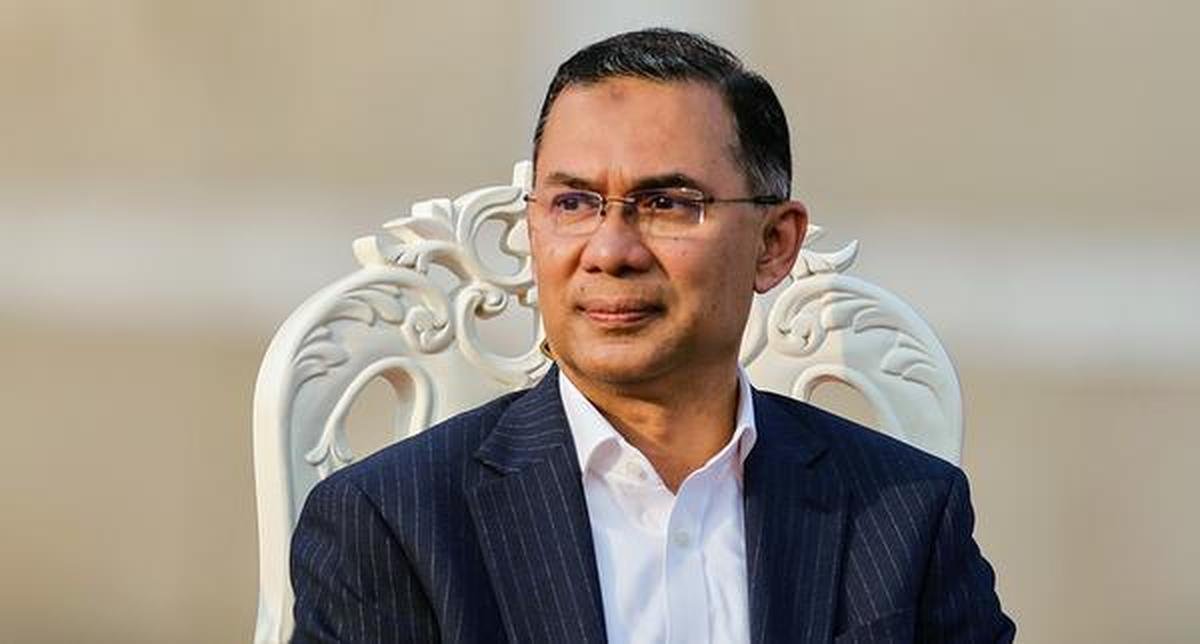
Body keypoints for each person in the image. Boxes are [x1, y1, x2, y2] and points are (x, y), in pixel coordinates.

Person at [290, 28, 1015, 643]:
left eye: (666, 203)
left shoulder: (905, 515)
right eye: (573, 202)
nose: (610, 251)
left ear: (773, 243)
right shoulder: (393, 524)